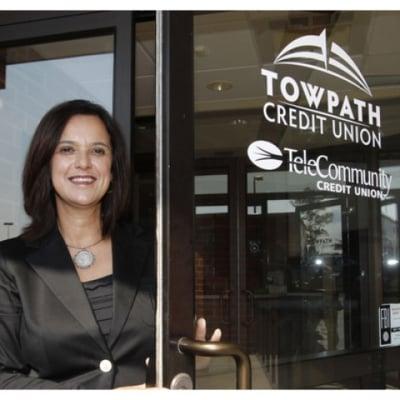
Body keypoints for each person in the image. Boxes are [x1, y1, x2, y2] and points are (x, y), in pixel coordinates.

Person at [0, 100, 220, 389]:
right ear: (46, 163)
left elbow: (168, 352)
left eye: (97, 150)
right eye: (67, 149)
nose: (83, 163)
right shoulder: (10, 264)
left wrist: (191, 357)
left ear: (112, 169)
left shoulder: (154, 251)